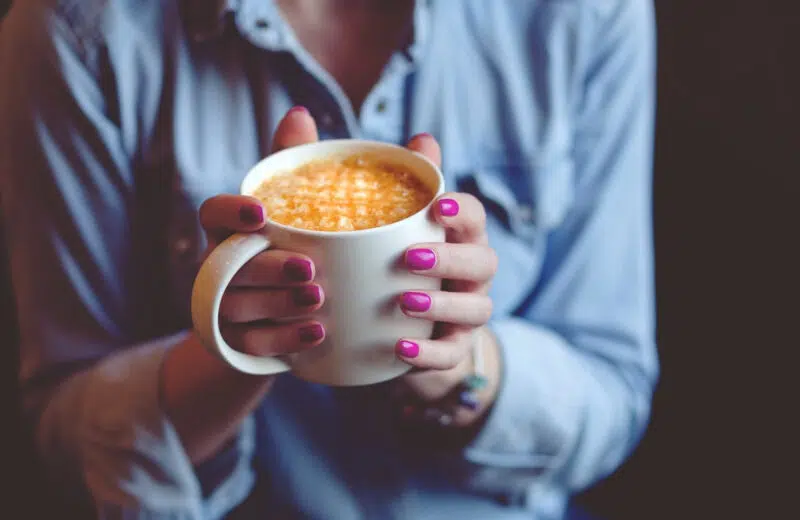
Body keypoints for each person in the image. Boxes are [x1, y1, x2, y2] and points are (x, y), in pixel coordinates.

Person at [0, 0, 658, 518]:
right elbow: (63, 442)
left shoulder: (582, 15)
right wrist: (231, 354)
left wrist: (462, 366)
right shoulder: (78, 31)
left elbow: (614, 390)